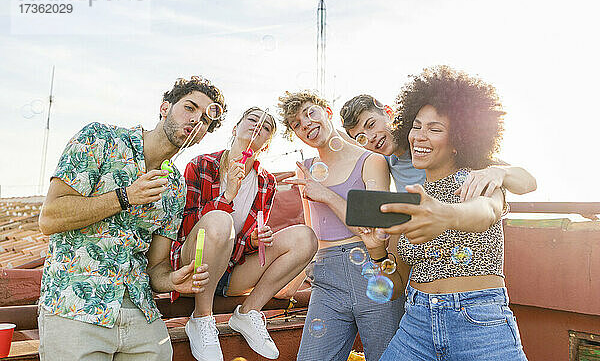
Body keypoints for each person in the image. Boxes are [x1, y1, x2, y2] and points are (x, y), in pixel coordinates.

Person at [37, 76, 224, 360]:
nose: (196, 120)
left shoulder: (175, 186)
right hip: (74, 308)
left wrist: (174, 280)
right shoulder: (99, 138)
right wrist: (124, 196)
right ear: (164, 107)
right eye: (189, 107)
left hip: (141, 318)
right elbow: (49, 218)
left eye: (205, 120)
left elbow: (156, 267)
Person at [360, 66, 528, 360]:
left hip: (480, 324)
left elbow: (488, 209)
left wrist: (448, 214)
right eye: (416, 126)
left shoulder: (478, 177)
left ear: (459, 140)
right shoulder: (411, 198)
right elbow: (394, 287)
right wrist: (376, 252)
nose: (419, 137)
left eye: (435, 129)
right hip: (416, 325)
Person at [171, 107, 318, 361]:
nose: (258, 126)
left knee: (306, 238)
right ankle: (202, 318)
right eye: (252, 119)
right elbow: (185, 227)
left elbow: (245, 244)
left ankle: (248, 313)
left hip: (231, 273)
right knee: (218, 218)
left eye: (267, 127)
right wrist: (227, 196)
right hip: (192, 270)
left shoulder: (266, 182)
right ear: (235, 128)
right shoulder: (202, 165)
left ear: (267, 143)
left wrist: (253, 240)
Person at [277, 91, 403, 361]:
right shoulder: (305, 169)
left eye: (311, 112)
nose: (306, 124)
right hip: (326, 280)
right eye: (297, 124)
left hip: (373, 271)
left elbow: (374, 231)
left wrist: (325, 194)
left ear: (327, 112)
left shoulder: (372, 160)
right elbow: (312, 236)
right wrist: (290, 287)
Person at [340, 94, 537, 199]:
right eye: (361, 138)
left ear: (389, 113)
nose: (371, 138)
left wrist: (497, 173)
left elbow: (528, 182)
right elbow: (338, 140)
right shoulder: (384, 161)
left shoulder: (435, 144)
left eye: (371, 124)